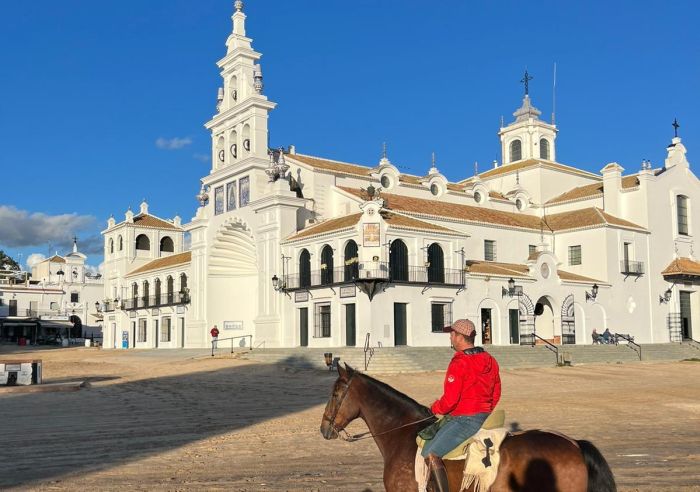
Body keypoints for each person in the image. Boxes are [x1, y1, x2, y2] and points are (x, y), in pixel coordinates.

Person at [423, 319, 501, 492]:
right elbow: (496, 393)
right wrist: (485, 410)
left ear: (459, 337)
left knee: (430, 454)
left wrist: (434, 408)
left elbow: (450, 401)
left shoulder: (459, 363)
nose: (450, 338)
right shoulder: (490, 359)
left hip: (465, 419)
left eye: (452, 334)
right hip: (487, 417)